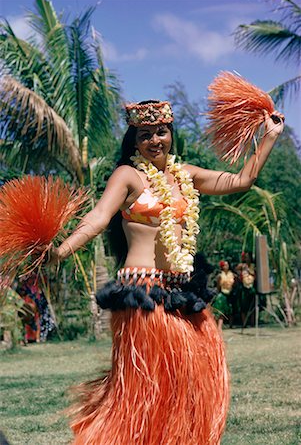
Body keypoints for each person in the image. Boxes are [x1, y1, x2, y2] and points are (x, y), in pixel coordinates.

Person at [46, 100, 284, 444]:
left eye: (161, 132)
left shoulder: (186, 174)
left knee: (192, 382)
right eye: (145, 135)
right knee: (147, 388)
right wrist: (60, 251)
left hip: (183, 293)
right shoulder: (128, 175)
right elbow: (98, 218)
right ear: (134, 140)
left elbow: (242, 180)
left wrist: (269, 136)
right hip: (143, 294)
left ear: (171, 133)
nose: (155, 140)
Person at [213, 260, 236, 330]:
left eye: (227, 265)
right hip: (222, 293)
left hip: (230, 293)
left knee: (230, 309)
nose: (226, 266)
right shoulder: (220, 275)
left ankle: (231, 325)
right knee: (220, 311)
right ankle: (219, 327)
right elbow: (218, 286)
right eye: (224, 265)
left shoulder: (232, 274)